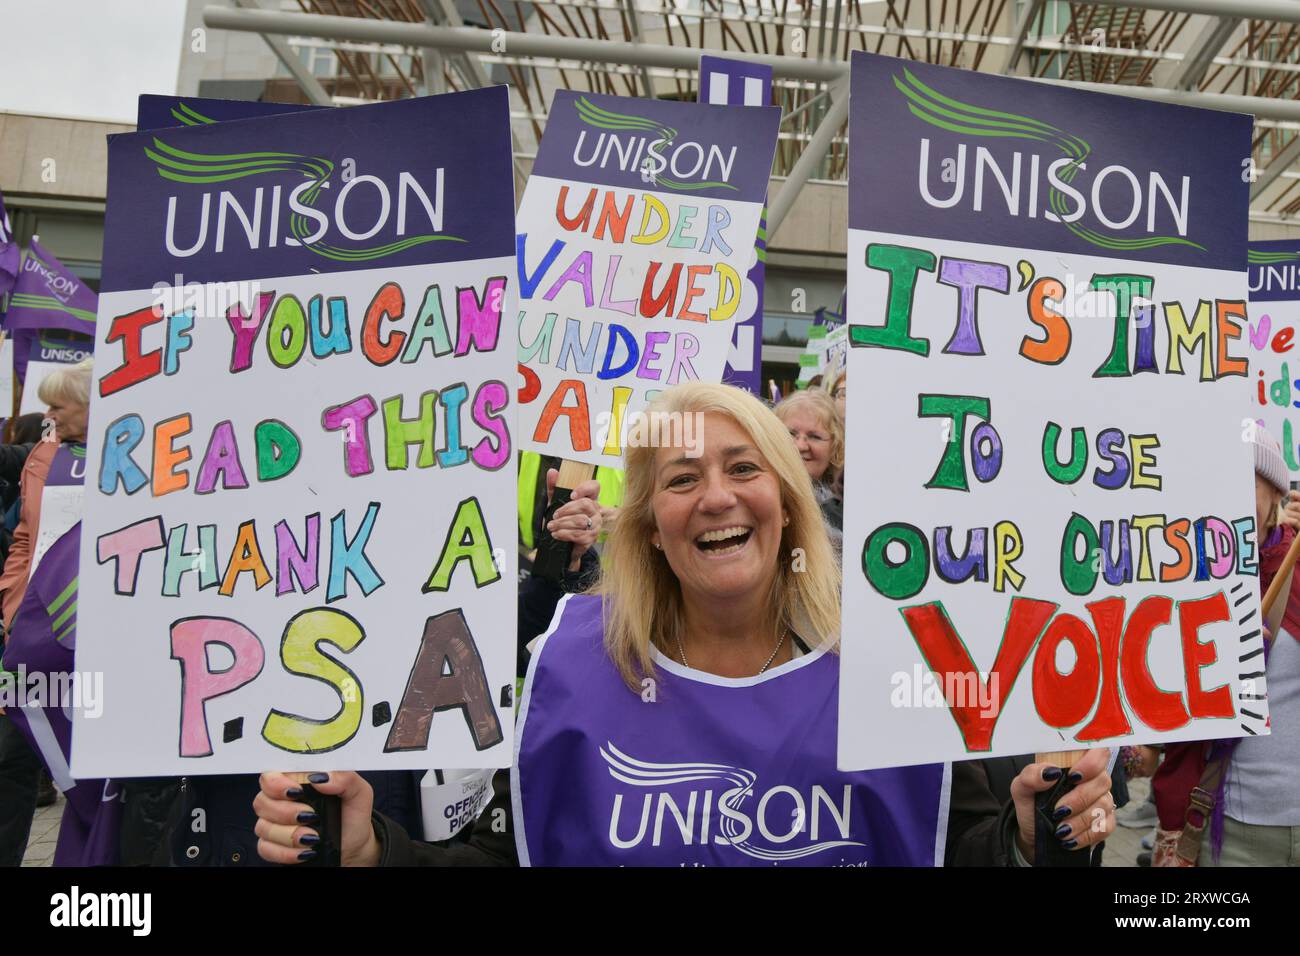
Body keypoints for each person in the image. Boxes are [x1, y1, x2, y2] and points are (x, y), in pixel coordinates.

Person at [250, 383, 1114, 866]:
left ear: (788, 502)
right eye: (679, 478)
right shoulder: (570, 666)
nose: (716, 496)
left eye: (745, 467)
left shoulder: (896, 663)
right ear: (650, 526)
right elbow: (511, 855)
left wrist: (1030, 840)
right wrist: (373, 854)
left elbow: (950, 848)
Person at [0, 360, 91, 865]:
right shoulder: (42, 454)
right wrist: (13, 600)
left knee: (85, 767)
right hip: (33, 632)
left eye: (58, 405)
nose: (48, 413)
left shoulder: (146, 450)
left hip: (98, 637)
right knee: (11, 752)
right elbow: (24, 538)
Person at [774, 388, 843, 547]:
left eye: (814, 436)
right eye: (791, 433)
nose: (800, 445)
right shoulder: (754, 496)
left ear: (835, 447)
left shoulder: (849, 510)